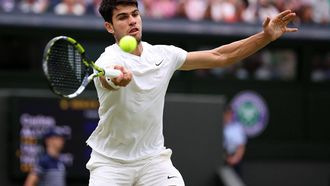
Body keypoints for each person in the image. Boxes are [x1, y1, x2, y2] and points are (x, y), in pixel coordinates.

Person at [85, 0, 297, 185]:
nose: (132, 21)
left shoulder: (163, 55)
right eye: (122, 17)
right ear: (109, 27)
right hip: (110, 163)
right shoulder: (107, 61)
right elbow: (108, 78)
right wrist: (118, 79)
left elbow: (220, 56)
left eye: (135, 14)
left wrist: (265, 37)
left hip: (153, 161)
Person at [223, 106, 247, 177]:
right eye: (226, 114)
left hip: (234, 160)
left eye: (230, 114)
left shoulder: (237, 127)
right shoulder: (216, 126)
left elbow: (241, 146)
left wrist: (235, 159)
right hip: (221, 159)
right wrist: (224, 158)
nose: (228, 116)